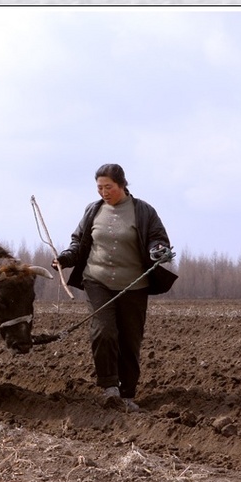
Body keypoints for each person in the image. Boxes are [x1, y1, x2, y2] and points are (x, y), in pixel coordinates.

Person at [54, 163, 176, 413]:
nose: (103, 192)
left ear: (122, 185)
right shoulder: (93, 211)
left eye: (108, 187)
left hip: (133, 285)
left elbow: (158, 239)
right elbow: (78, 242)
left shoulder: (143, 211)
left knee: (130, 340)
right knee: (104, 331)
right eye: (99, 187)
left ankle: (128, 393)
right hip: (96, 280)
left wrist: (158, 251)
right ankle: (110, 387)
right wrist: (65, 258)